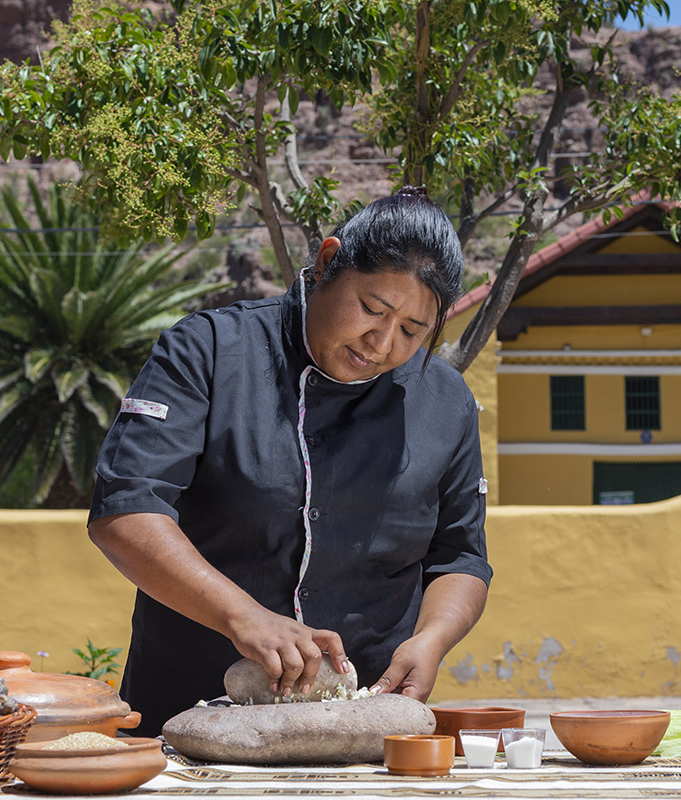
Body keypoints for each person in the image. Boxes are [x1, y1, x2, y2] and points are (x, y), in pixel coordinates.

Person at [86, 186, 493, 737]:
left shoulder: (446, 401)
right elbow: (125, 509)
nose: (381, 342)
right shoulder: (207, 351)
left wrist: (433, 637)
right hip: (186, 712)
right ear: (327, 262)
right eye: (372, 309)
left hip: (361, 729)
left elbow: (461, 556)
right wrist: (243, 617)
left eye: (412, 331)